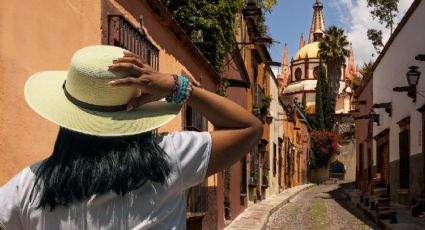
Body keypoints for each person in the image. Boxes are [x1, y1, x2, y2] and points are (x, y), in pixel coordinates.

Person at [0, 45, 262, 229]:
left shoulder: (31, 184)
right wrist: (177, 85)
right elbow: (248, 128)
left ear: (67, 114)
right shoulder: (171, 158)